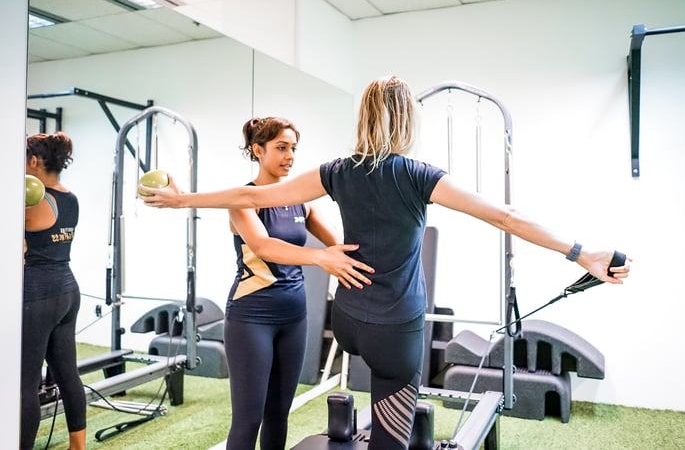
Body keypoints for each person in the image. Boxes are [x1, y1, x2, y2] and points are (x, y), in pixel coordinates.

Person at [141, 76, 632, 450]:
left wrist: (183, 200)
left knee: (321, 399)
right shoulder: (420, 176)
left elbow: (255, 193)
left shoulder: (336, 171)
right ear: (407, 121)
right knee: (389, 435)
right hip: (396, 332)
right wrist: (580, 252)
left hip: (350, 323)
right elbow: (505, 216)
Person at [221, 117, 373, 450]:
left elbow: (338, 243)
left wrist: (369, 258)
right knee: (248, 419)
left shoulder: (300, 201)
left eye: (293, 148)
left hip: (294, 318)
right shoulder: (243, 200)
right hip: (251, 319)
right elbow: (263, 246)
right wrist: (320, 259)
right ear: (257, 150)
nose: (289, 156)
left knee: (278, 414)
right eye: (281, 148)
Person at [22, 131, 87, 450]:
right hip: (67, 289)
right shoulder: (70, 197)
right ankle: (78, 446)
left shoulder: (30, 202)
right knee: (67, 374)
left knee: (24, 384)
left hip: (37, 294)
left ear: (33, 161)